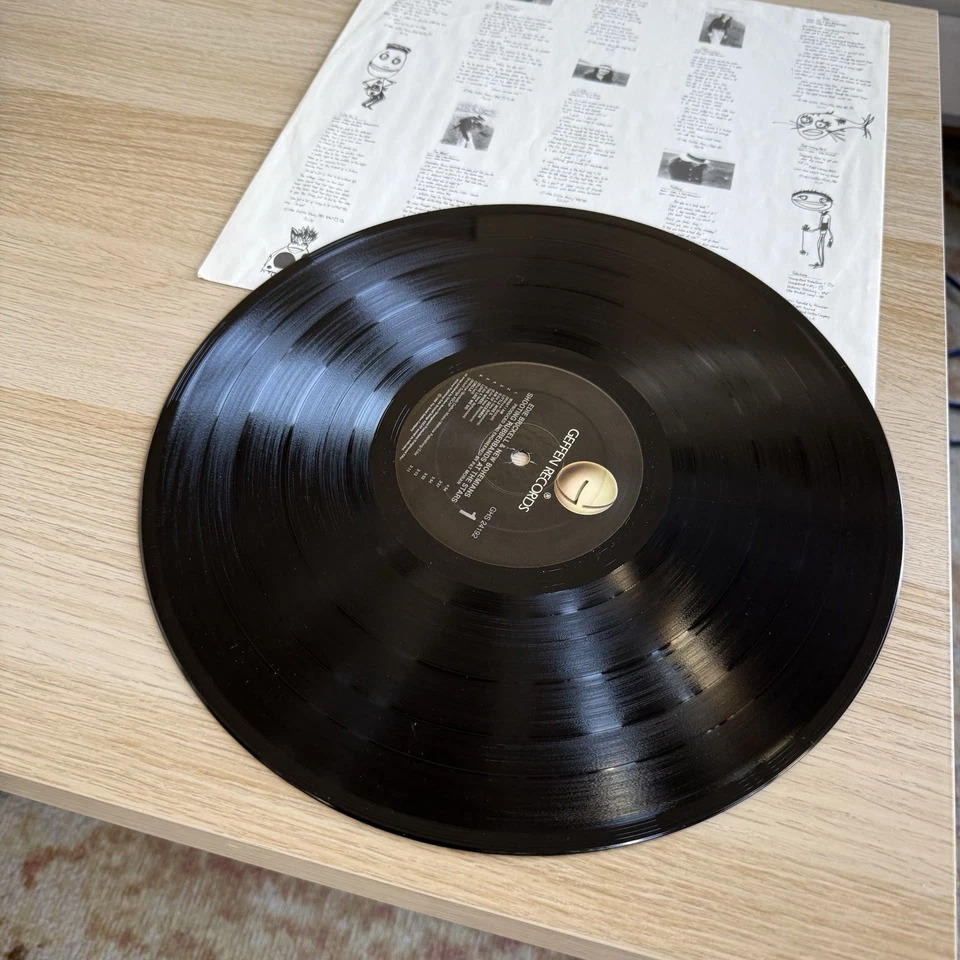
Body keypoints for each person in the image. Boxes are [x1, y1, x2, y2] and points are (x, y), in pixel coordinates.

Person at [791, 190, 834, 269]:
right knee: (818, 246)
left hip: (823, 233)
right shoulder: (822, 216)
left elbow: (828, 227)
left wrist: (831, 237)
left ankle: (821, 264)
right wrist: (809, 230)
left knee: (820, 246)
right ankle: (821, 263)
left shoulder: (827, 216)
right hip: (822, 232)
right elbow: (819, 227)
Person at [361, 43, 410, 109]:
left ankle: (367, 104)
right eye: (383, 56)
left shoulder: (382, 80)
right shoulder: (374, 81)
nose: (386, 64)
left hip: (377, 89)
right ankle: (366, 104)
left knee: (381, 98)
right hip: (375, 89)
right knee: (380, 97)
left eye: (396, 61)